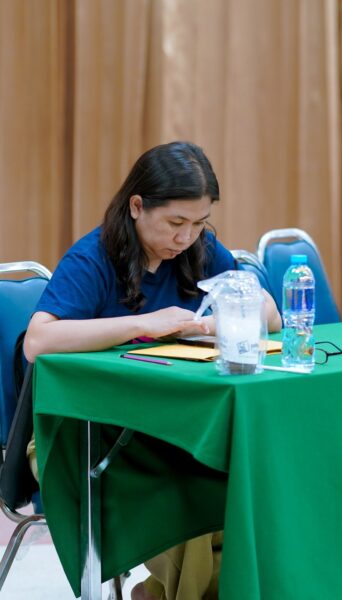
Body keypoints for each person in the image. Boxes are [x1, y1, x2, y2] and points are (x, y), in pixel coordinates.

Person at [24, 141, 282, 600]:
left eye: (199, 223)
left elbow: (271, 314)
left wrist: (220, 320)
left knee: (249, 489)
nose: (186, 237)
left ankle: (158, 593)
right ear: (137, 206)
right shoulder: (93, 258)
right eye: (176, 223)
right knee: (187, 502)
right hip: (85, 432)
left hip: (171, 426)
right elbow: (38, 341)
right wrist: (144, 324)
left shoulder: (200, 249)